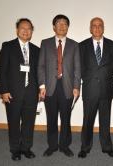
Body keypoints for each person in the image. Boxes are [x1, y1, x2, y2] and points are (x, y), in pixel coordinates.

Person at [38, 14, 81, 157]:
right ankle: (52, 145)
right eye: (59, 23)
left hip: (67, 86)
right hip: (49, 86)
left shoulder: (74, 45)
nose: (62, 26)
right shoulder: (45, 43)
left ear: (68, 27)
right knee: (51, 118)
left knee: (66, 117)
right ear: (53, 26)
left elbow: (77, 68)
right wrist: (42, 85)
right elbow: (41, 66)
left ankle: (64, 145)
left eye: (65, 24)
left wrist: (76, 86)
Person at [0, 18, 39, 161]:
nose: (26, 31)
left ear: (32, 31)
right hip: (13, 92)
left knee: (29, 122)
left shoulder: (36, 49)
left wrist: (40, 88)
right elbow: (3, 71)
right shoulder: (8, 47)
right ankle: (15, 149)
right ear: (17, 30)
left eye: (29, 28)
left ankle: (26, 148)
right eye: (23, 28)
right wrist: (3, 90)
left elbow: (38, 72)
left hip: (32, 92)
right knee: (14, 122)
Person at [78, 17, 113, 158]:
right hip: (90, 89)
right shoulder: (82, 46)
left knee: (105, 120)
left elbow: (112, 66)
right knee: (87, 120)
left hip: (106, 89)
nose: (97, 28)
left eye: (99, 25)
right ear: (90, 28)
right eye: (94, 25)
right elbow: (81, 67)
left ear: (103, 28)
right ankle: (85, 147)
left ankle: (107, 147)